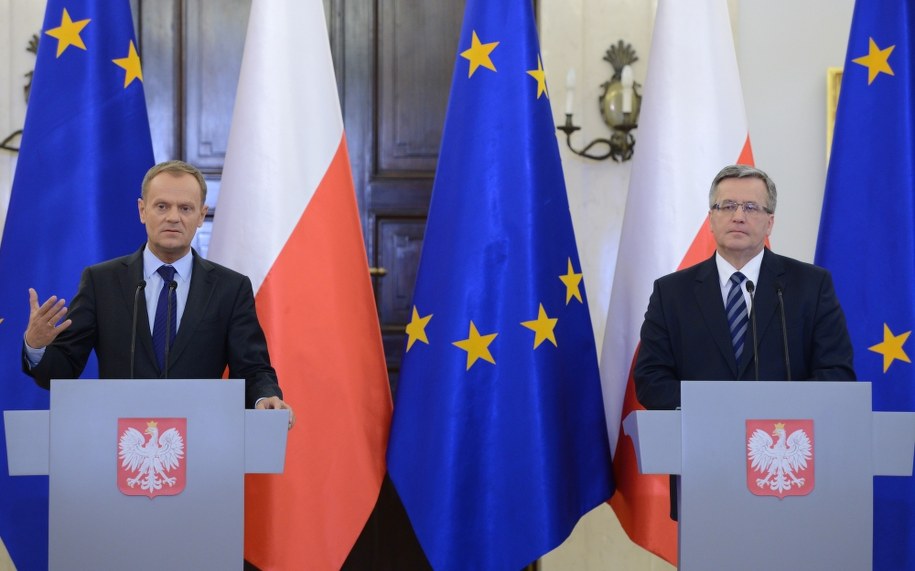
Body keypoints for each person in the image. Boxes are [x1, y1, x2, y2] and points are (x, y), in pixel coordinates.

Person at [634, 164, 854, 517]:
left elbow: (837, 374)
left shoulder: (809, 286)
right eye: (727, 206)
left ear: (770, 222)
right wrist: (719, 405)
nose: (738, 216)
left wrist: (767, 407)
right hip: (703, 473)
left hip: (790, 473)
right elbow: (650, 381)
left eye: (751, 207)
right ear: (710, 219)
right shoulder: (670, 293)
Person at [22, 160, 295, 427]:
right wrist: (36, 346)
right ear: (142, 210)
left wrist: (264, 398)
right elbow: (62, 370)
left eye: (185, 208)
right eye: (162, 206)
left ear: (201, 215)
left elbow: (251, 367)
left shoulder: (230, 288)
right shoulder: (101, 281)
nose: (173, 217)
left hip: (203, 444)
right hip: (121, 447)